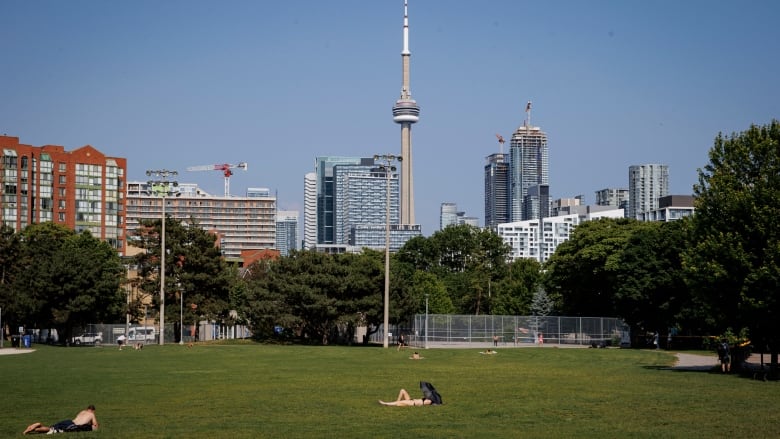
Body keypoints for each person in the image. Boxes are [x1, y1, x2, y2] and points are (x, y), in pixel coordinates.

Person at [23, 405, 99, 434]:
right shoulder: (92, 414)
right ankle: (36, 428)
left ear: (87, 409)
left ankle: (36, 427)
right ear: (93, 410)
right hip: (72, 425)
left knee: (51, 428)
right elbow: (95, 425)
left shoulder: (82, 411)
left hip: (68, 421)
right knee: (53, 431)